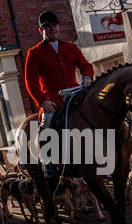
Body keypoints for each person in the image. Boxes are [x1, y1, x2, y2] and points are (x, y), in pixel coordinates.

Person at [25, 10, 94, 176]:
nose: (52, 29)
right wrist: (42, 101)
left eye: (55, 25)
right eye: (47, 27)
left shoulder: (71, 48)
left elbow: (85, 65)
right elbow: (31, 81)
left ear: (59, 27)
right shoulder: (34, 53)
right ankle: (49, 163)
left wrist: (86, 77)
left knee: (97, 108)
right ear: (41, 31)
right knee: (47, 121)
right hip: (52, 98)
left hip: (76, 92)